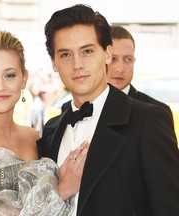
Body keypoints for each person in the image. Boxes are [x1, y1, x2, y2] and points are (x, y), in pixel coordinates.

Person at [37, 4, 179, 216]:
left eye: (87, 51)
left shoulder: (147, 121)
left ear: (107, 54)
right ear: (54, 63)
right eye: (65, 54)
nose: (77, 64)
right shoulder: (50, 130)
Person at [0, 31, 89, 216]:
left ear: (24, 79)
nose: (0, 86)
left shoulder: (32, 136)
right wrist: (61, 191)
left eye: (10, 75)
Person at [106, 25, 174, 117]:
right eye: (113, 59)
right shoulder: (84, 105)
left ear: (134, 61)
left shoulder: (157, 112)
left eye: (127, 59)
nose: (120, 69)